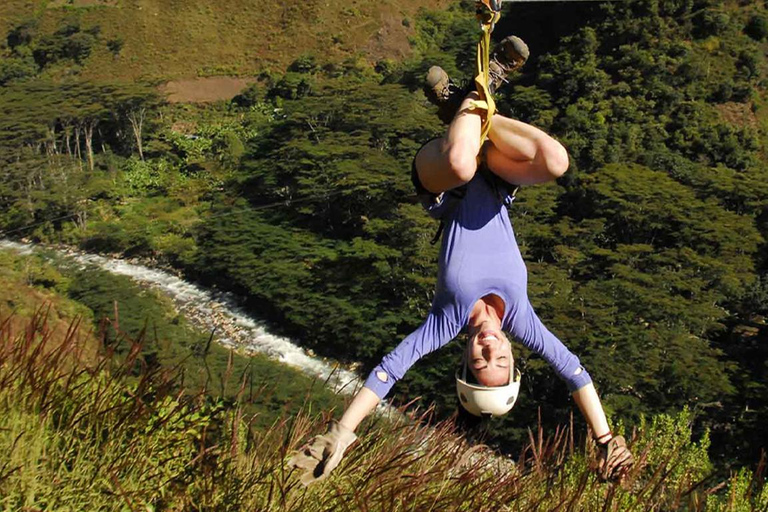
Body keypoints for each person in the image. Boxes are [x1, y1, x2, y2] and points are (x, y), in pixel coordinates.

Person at [289, 35, 633, 486]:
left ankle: (468, 106)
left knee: (460, 161)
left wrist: (341, 433)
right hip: (496, 177)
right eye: (500, 361)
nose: (490, 349)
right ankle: (475, 100)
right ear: (514, 357)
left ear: (465, 361)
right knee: (556, 161)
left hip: (441, 182)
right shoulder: (525, 321)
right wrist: (606, 439)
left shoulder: (444, 322)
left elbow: (388, 370)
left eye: (479, 362)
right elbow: (575, 373)